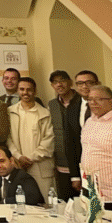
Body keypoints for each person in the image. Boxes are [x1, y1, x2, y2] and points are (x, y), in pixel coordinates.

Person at [64, 70, 112, 195]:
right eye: (80, 83)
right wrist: (75, 176)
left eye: (89, 82)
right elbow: (70, 143)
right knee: (92, 205)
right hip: (86, 170)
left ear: (98, 84)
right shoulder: (71, 109)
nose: (84, 86)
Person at [6, 77, 54, 198]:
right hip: (17, 164)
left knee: (44, 202)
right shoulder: (10, 112)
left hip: (40, 166)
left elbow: (49, 140)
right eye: (22, 89)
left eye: (29, 89)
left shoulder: (45, 114)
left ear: (35, 91)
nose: (25, 92)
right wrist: (18, 156)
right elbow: (8, 138)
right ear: (17, 90)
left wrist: (30, 158)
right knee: (20, 201)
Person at [47, 69, 78, 201]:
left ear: (70, 82)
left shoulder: (82, 101)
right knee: (65, 203)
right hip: (61, 164)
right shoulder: (52, 105)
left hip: (81, 162)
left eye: (62, 81)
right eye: (55, 82)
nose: (59, 84)